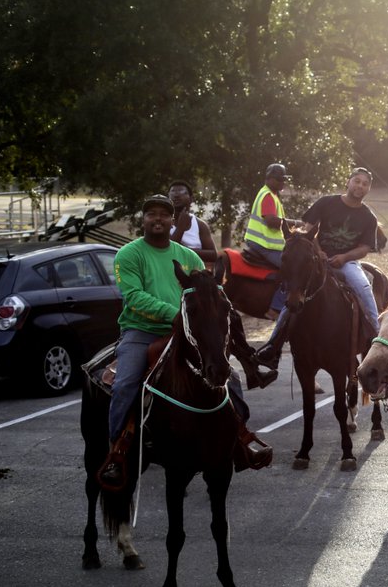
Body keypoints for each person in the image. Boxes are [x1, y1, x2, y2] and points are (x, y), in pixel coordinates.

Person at [100, 195, 272, 488]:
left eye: (164, 216)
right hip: (141, 332)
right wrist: (178, 315)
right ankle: (118, 451)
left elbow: (208, 295)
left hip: (185, 333)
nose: (158, 219)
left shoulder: (189, 257)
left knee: (228, 378)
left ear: (172, 221)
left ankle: (240, 441)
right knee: (126, 383)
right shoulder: (129, 254)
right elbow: (134, 297)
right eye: (151, 214)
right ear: (143, 220)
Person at [255, 167, 381, 370]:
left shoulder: (368, 217)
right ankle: (273, 344)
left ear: (369, 189)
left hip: (346, 262)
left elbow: (365, 248)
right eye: (357, 181)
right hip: (314, 258)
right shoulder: (327, 202)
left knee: (363, 287)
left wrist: (345, 257)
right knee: (296, 291)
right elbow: (307, 229)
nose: (360, 186)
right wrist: (318, 251)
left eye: (365, 184)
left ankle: (375, 335)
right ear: (348, 182)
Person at [244, 163, 292, 321]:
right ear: (269, 178)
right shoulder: (268, 196)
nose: (282, 183)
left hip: (262, 243)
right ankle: (275, 308)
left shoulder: (271, 194)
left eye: (284, 180)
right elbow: (271, 221)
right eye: (279, 179)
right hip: (263, 244)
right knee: (292, 271)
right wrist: (293, 223)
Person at [168, 180, 217, 265]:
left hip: (196, 273)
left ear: (191, 199)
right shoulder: (163, 223)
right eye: (173, 192)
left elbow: (213, 255)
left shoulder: (200, 225)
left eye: (182, 192)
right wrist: (180, 228)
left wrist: (183, 251)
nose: (176, 195)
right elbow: (168, 253)